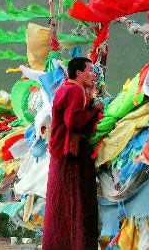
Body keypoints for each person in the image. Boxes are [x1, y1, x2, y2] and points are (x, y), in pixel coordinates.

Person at [42, 57, 101, 249]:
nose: (94, 74)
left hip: (62, 155)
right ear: (78, 73)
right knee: (75, 204)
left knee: (61, 205)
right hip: (70, 157)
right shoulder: (75, 91)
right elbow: (73, 123)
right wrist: (95, 110)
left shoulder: (68, 89)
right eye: (90, 70)